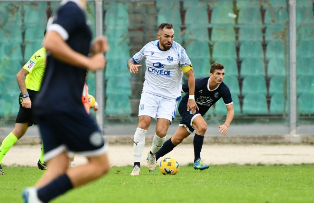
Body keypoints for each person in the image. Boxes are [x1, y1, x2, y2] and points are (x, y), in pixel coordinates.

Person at [22, 0, 110, 202]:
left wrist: (91, 51)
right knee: (100, 164)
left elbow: (62, 55)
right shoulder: (72, 9)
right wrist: (89, 61)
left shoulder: (67, 11)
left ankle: (35, 198)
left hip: (49, 102)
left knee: (58, 167)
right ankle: (38, 196)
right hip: (63, 102)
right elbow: (51, 42)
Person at [127, 23, 198, 176]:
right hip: (150, 93)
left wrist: (191, 98)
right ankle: (136, 165)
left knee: (161, 132)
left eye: (172, 36)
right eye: (166, 36)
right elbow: (132, 59)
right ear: (159, 36)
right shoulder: (149, 48)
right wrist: (131, 65)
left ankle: (152, 154)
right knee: (143, 123)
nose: (169, 39)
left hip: (169, 97)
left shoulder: (179, 51)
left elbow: (190, 75)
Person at [155, 63, 234, 170]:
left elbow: (230, 110)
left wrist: (226, 124)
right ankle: (197, 161)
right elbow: (178, 90)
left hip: (197, 114)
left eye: (223, 74)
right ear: (211, 74)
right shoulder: (199, 83)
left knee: (177, 139)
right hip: (186, 107)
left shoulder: (223, 89)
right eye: (218, 74)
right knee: (202, 127)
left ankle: (152, 158)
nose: (220, 77)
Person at [0, 35, 47, 175]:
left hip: (41, 97)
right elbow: (20, 75)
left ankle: (43, 161)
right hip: (31, 96)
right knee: (20, 130)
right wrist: (26, 97)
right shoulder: (40, 55)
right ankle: (43, 160)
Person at [69, 71, 99, 168]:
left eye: (85, 73)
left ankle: (71, 162)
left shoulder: (84, 86)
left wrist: (93, 104)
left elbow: (86, 98)